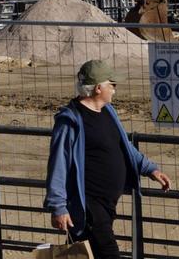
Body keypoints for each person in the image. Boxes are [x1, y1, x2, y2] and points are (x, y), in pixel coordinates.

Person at [45, 59, 172, 258]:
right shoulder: (70, 120)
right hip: (88, 205)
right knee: (109, 253)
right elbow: (58, 165)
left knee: (88, 253)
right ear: (98, 88)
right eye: (111, 84)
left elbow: (124, 148)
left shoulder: (107, 112)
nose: (114, 89)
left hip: (107, 204)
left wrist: (150, 169)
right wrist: (58, 207)